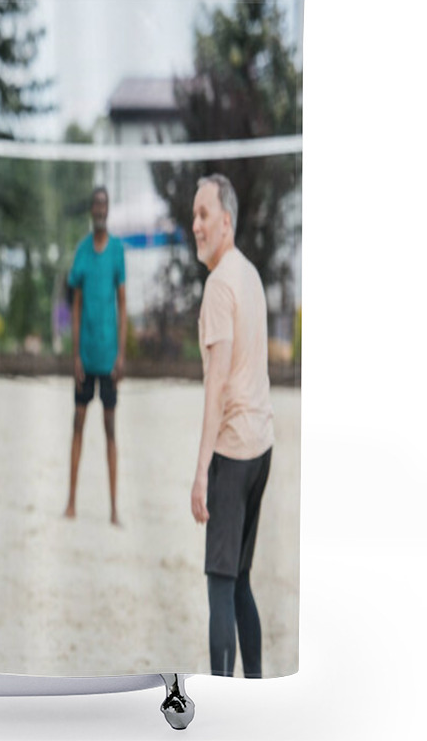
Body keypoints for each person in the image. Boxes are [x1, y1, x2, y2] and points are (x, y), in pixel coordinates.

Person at [189, 173, 274, 678]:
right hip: (262, 449)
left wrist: (202, 473)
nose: (195, 224)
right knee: (241, 580)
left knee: (221, 585)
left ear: (226, 222)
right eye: (193, 214)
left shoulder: (220, 286)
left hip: (236, 455)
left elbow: (216, 386)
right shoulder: (247, 272)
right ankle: (257, 693)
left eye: (203, 215)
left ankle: (224, 706)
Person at [64, 187, 126, 526]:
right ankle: (71, 502)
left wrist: (122, 355)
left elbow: (124, 303)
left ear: (108, 209)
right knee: (77, 426)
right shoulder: (82, 253)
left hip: (109, 358)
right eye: (96, 204)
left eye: (104, 203)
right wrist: (75, 355)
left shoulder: (117, 251)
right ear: (91, 210)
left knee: (111, 430)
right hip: (85, 358)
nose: (100, 209)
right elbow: (74, 306)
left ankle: (114, 509)